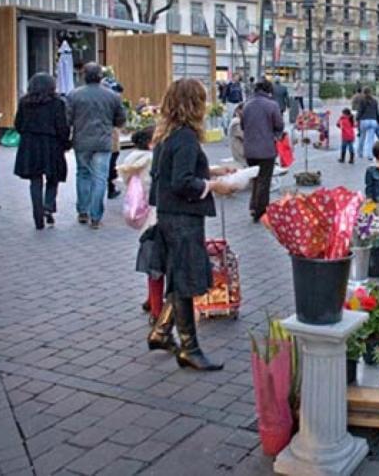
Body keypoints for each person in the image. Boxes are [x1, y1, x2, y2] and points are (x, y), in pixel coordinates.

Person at [147, 78, 236, 371]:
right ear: (192, 104)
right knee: (186, 280)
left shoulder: (167, 134)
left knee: (178, 276)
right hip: (183, 218)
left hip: (169, 216)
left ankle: (162, 332)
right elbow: (182, 181)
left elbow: (172, 171)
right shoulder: (185, 136)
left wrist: (212, 170)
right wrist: (214, 186)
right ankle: (189, 348)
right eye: (202, 100)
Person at [67, 63, 127, 229]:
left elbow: (68, 119)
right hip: (103, 141)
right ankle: (96, 216)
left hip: (82, 141)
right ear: (101, 76)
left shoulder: (74, 95)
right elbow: (121, 119)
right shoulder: (112, 96)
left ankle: (83, 211)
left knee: (83, 174)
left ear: (83, 76)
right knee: (100, 177)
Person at [13, 73, 70, 230]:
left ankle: (37, 216)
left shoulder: (25, 102)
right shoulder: (57, 103)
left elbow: (18, 124)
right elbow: (62, 126)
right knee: (53, 177)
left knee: (35, 181)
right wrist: (65, 143)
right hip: (51, 145)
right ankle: (48, 205)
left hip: (30, 146)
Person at [117, 126, 160, 321]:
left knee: (152, 262)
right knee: (159, 265)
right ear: (152, 143)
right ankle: (157, 309)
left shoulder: (132, 161)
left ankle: (151, 299)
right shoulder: (152, 161)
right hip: (158, 214)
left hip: (143, 217)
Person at [241, 78, 284, 222]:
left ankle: (253, 206)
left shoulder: (247, 105)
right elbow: (279, 124)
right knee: (264, 181)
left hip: (249, 149)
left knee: (255, 179)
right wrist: (275, 135)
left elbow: (242, 125)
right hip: (266, 148)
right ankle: (260, 211)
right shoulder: (272, 105)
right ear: (268, 90)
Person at [356, 86, 379, 159]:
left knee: (362, 137)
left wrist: (357, 119)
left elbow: (360, 111)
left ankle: (360, 153)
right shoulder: (375, 101)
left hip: (364, 120)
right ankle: (370, 155)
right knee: (371, 139)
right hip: (373, 120)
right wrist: (378, 121)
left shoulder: (362, 100)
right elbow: (377, 112)